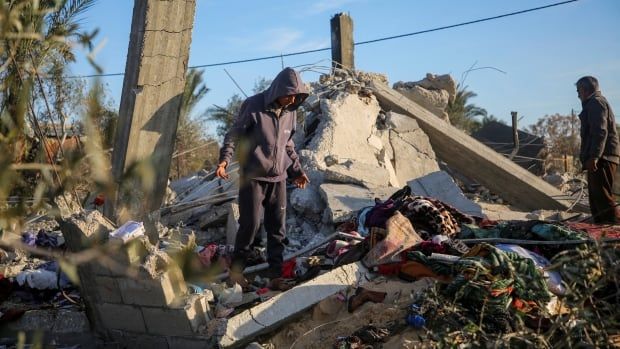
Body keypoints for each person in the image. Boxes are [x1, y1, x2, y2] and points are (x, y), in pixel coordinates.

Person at [216, 67, 310, 289]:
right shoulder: (254, 105)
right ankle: (236, 273)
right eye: (290, 94)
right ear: (279, 89)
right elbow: (234, 134)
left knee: (278, 229)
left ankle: (275, 276)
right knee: (250, 226)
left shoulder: (290, 112)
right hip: (253, 179)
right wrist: (224, 160)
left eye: (297, 96)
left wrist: (297, 171)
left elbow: (288, 145)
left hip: (278, 180)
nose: (293, 99)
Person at [576, 76, 620, 223]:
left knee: (602, 198)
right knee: (596, 201)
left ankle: (613, 232)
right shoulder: (593, 103)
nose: (577, 95)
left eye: (578, 91)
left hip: (603, 157)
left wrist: (594, 156)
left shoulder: (596, 103)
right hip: (600, 156)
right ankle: (601, 235)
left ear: (585, 89)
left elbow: (600, 131)